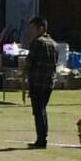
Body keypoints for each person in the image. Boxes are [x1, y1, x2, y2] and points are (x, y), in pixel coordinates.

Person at [24, 15, 58, 148]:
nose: (31, 31)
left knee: (38, 111)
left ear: (41, 28)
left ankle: (41, 140)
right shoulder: (54, 43)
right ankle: (43, 137)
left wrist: (24, 74)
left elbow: (29, 61)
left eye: (33, 28)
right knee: (42, 109)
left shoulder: (37, 42)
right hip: (49, 82)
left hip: (37, 81)